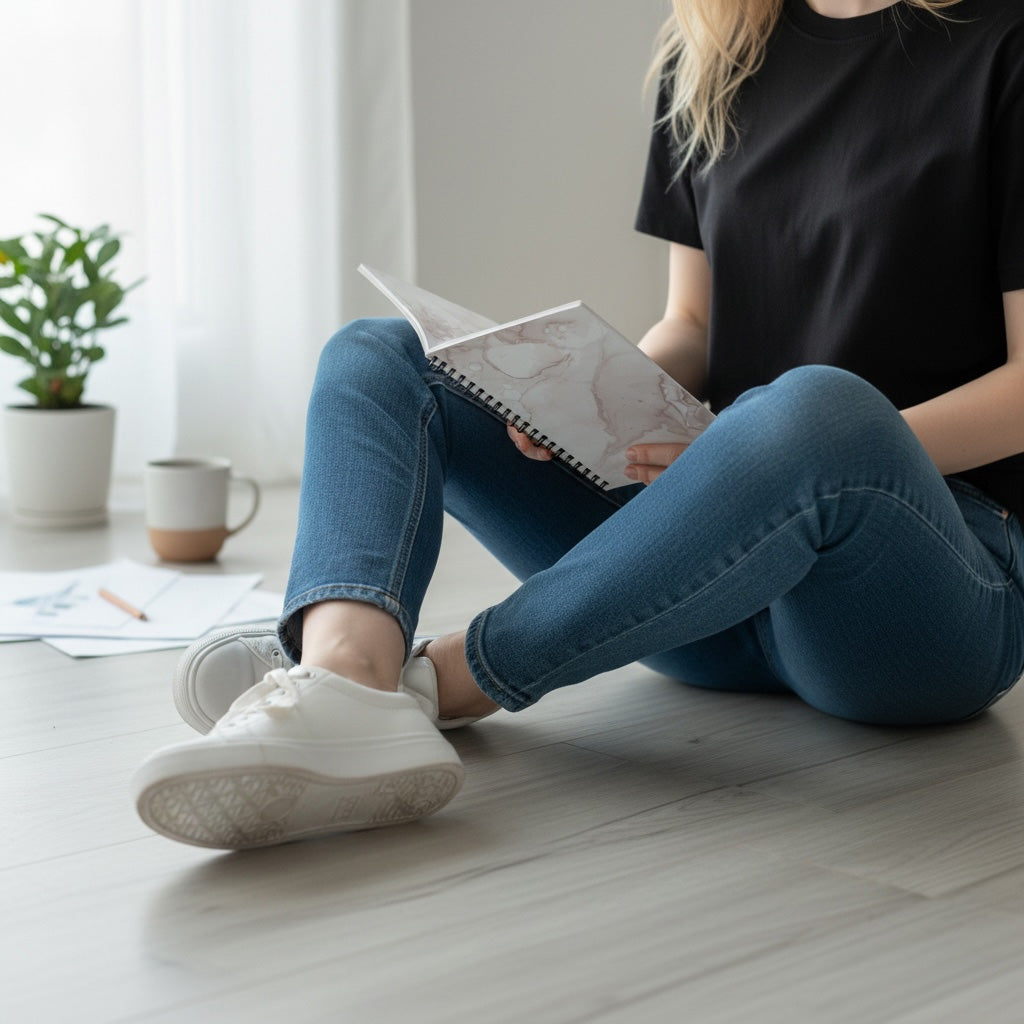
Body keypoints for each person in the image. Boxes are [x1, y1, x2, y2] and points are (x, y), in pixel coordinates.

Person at [133, 0, 1024, 851]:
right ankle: (346, 670)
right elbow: (693, 324)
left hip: (919, 589)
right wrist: (589, 396)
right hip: (700, 575)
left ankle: (433, 685)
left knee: (815, 409)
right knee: (380, 353)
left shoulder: (1006, 45)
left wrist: (773, 455)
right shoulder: (717, 51)